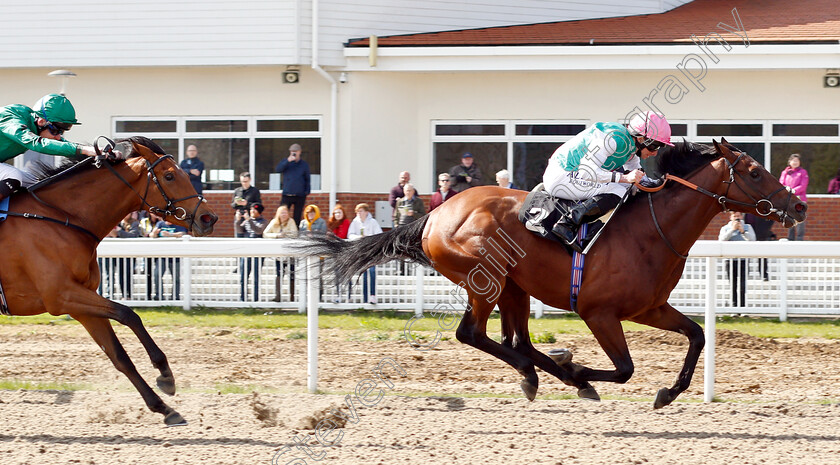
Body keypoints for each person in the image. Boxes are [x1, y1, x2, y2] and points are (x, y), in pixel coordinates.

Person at [542, 111, 673, 251]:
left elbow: (641, 180)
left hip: (572, 175)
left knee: (628, 188)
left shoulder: (630, 146)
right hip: (561, 177)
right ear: (641, 139)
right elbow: (586, 172)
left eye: (660, 147)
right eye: (654, 145)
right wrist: (624, 178)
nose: (655, 153)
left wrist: (663, 184)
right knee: (619, 190)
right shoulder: (613, 139)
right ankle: (567, 224)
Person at [0, 94, 103, 202]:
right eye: (55, 130)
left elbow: (63, 145)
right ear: (41, 121)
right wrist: (84, 150)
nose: (58, 136)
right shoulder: (10, 118)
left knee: (38, 185)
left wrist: (96, 152)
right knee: (12, 175)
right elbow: (35, 142)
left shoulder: (34, 122)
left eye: (61, 132)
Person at [347, 203, 383, 304]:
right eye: (357, 211)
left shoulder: (372, 222)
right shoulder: (355, 222)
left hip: (371, 251)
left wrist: (368, 237)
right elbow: (350, 234)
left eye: (361, 211)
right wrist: (359, 237)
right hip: (361, 252)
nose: (359, 213)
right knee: (364, 274)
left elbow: (379, 234)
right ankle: (365, 297)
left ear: (366, 212)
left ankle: (372, 295)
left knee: (371, 272)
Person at [719, 211, 756, 307]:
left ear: (742, 217)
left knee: (742, 285)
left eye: (738, 216)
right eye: (734, 216)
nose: (737, 218)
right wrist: (732, 230)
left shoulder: (748, 227)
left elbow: (752, 239)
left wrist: (743, 231)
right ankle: (734, 307)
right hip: (730, 260)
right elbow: (722, 240)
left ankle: (742, 307)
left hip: (743, 260)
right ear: (731, 217)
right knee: (733, 285)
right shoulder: (725, 228)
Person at [264, 205, 298, 302]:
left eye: (285, 213)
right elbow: (265, 233)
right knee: (279, 273)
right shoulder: (274, 222)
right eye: (282, 213)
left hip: (290, 253)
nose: (284, 215)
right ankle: (278, 296)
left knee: (291, 274)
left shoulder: (291, 222)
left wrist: (285, 235)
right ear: (278, 214)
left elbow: (295, 233)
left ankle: (292, 297)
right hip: (279, 254)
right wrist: (277, 235)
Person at [151, 218, 188, 300]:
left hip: (174, 255)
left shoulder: (179, 224)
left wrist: (170, 235)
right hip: (161, 255)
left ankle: (175, 296)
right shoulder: (160, 224)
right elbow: (152, 235)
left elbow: (183, 234)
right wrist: (154, 233)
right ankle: (159, 295)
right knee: (157, 275)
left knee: (176, 277)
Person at [275, 143, 311, 227]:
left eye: (295, 151)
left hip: (300, 194)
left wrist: (307, 191)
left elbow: (307, 178)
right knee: (282, 213)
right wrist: (288, 161)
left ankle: (295, 232)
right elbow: (278, 169)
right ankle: (281, 229)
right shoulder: (286, 162)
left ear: (300, 152)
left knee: (297, 215)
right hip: (287, 193)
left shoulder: (304, 164)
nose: (294, 153)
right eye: (292, 151)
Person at [239, 202, 267, 301]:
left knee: (256, 278)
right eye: (251, 210)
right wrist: (237, 220)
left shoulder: (263, 221)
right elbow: (239, 231)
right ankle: (243, 298)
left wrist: (249, 220)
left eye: (254, 210)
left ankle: (255, 299)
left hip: (257, 252)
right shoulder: (246, 221)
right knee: (243, 277)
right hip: (246, 252)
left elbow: (258, 231)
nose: (252, 211)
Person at [779, 153, 808, 241]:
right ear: (789, 162)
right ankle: (790, 239)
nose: (795, 162)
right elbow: (781, 183)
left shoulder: (803, 172)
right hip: (788, 200)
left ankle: (800, 240)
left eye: (797, 161)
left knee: (799, 220)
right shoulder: (785, 172)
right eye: (793, 160)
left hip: (799, 199)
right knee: (789, 219)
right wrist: (787, 189)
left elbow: (803, 185)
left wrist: (793, 190)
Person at [327, 204, 351, 302]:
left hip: (344, 251)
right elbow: (328, 236)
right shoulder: (331, 223)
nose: (337, 214)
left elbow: (342, 235)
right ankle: (339, 295)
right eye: (335, 213)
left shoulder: (346, 222)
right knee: (337, 274)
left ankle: (348, 295)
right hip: (335, 252)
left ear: (343, 213)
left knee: (346, 272)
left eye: (339, 212)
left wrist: (333, 237)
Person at [745, 213, 776, 281]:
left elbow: (771, 218)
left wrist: (766, 231)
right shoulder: (746, 208)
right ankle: (745, 273)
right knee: (746, 255)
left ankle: (764, 274)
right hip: (747, 234)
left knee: (762, 256)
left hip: (760, 234)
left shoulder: (760, 207)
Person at [231, 172, 261, 238]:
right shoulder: (237, 191)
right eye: (242, 181)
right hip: (239, 217)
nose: (244, 183)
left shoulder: (255, 191)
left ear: (250, 180)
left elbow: (258, 205)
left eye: (246, 181)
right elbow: (232, 205)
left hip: (250, 217)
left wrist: (247, 204)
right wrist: (236, 203)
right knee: (238, 236)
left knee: (250, 236)